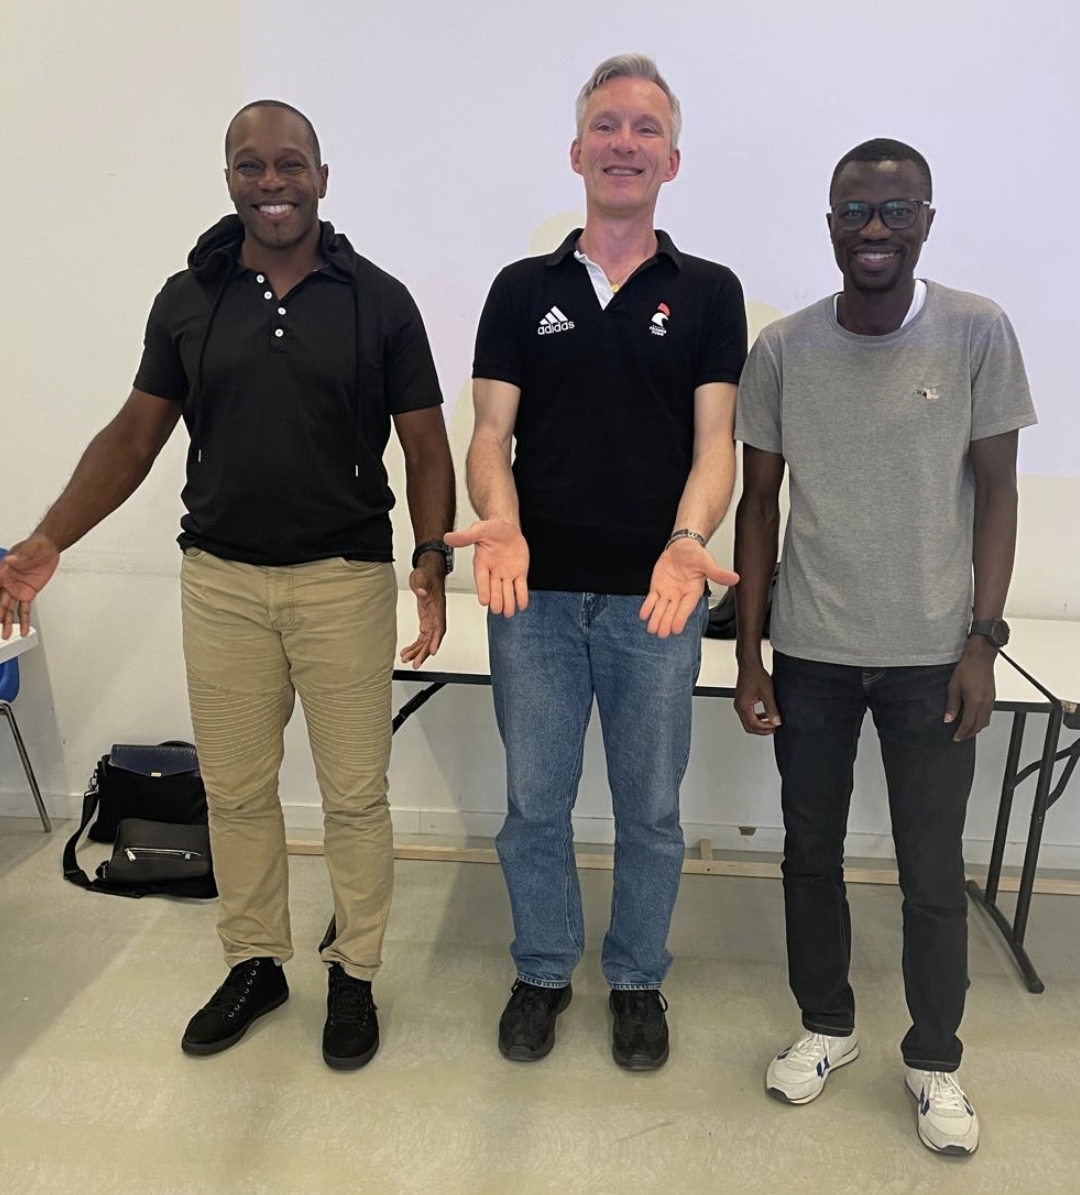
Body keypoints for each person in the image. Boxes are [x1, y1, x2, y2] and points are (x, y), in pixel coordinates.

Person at [0, 100, 455, 1070]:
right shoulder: (188, 299)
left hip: (343, 581)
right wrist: (47, 539)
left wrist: (430, 557)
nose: (271, 181)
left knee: (355, 797)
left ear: (323, 178)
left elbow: (424, 442)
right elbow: (134, 436)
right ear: (230, 180)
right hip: (220, 585)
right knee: (239, 791)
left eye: (290, 163)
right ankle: (256, 962)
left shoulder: (379, 300)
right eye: (251, 165)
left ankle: (354, 972)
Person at [733, 138, 1036, 1154]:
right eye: (857, 211)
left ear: (927, 222)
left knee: (931, 871)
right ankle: (827, 1024)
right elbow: (759, 504)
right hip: (811, 650)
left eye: (897, 211)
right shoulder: (783, 349)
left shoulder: (977, 332)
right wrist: (750, 653)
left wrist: (982, 640)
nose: (876, 230)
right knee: (809, 854)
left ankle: (935, 1058)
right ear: (829, 225)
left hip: (932, 656)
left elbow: (998, 495)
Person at [446, 54, 747, 1070]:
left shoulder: (707, 293)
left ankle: (636, 977)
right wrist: (501, 517)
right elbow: (490, 435)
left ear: (672, 160)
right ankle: (541, 969)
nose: (625, 143)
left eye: (646, 129)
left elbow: (716, 446)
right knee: (535, 804)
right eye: (607, 127)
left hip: (655, 602)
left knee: (650, 811)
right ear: (577, 153)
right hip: (529, 596)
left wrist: (687, 540)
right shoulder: (520, 289)